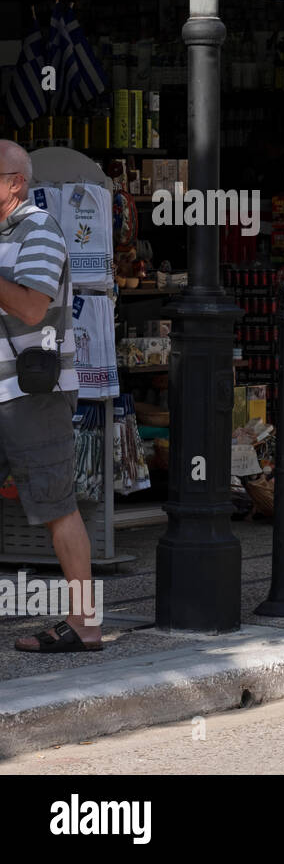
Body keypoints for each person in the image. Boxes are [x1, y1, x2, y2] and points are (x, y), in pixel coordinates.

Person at [0, 140, 102, 652]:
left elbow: (33, 308)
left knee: (58, 507)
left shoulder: (39, 230)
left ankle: (84, 625)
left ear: (14, 182)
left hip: (30, 393)